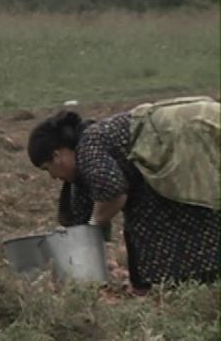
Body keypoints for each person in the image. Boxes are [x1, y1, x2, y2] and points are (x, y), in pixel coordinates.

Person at [27, 96, 220, 291]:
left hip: (193, 134)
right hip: (189, 135)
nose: (52, 177)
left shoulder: (88, 148)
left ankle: (190, 285)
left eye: (47, 168)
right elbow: (82, 213)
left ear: (57, 156)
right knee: (144, 225)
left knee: (184, 218)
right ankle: (169, 286)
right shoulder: (85, 155)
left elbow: (113, 192)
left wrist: (95, 224)